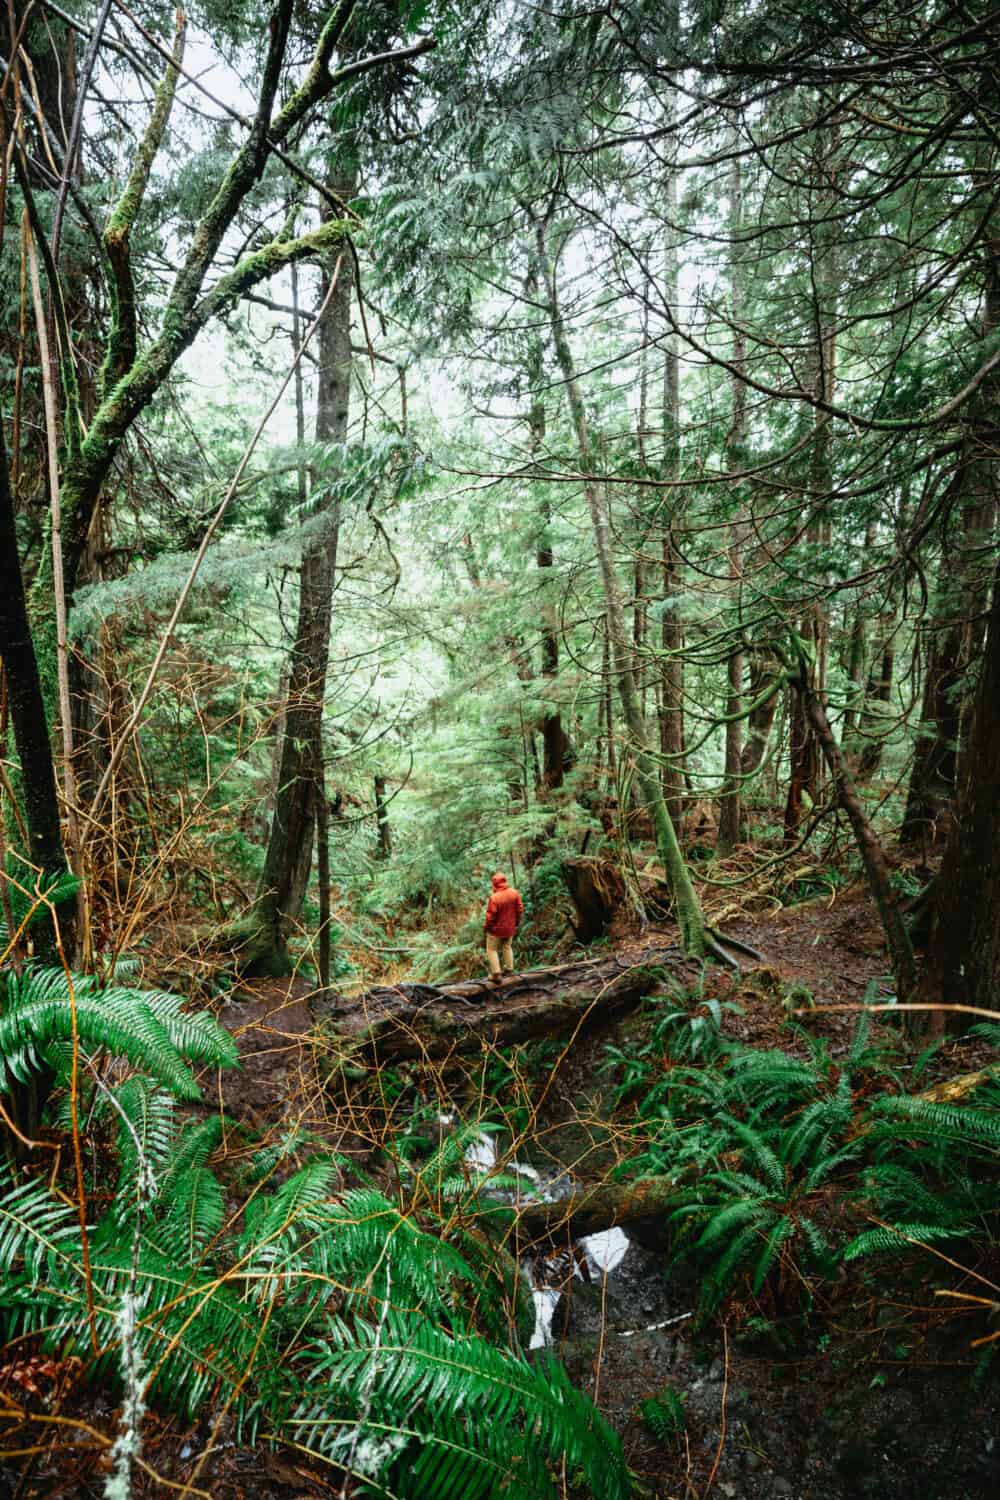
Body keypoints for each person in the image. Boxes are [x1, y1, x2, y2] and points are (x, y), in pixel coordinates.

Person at [483, 871, 523, 985]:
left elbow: (490, 917)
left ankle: (496, 974)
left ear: (494, 884)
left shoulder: (494, 898)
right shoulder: (514, 893)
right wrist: (516, 923)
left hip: (496, 930)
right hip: (510, 927)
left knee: (491, 950)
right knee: (507, 946)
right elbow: (520, 909)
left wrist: (486, 928)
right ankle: (509, 969)